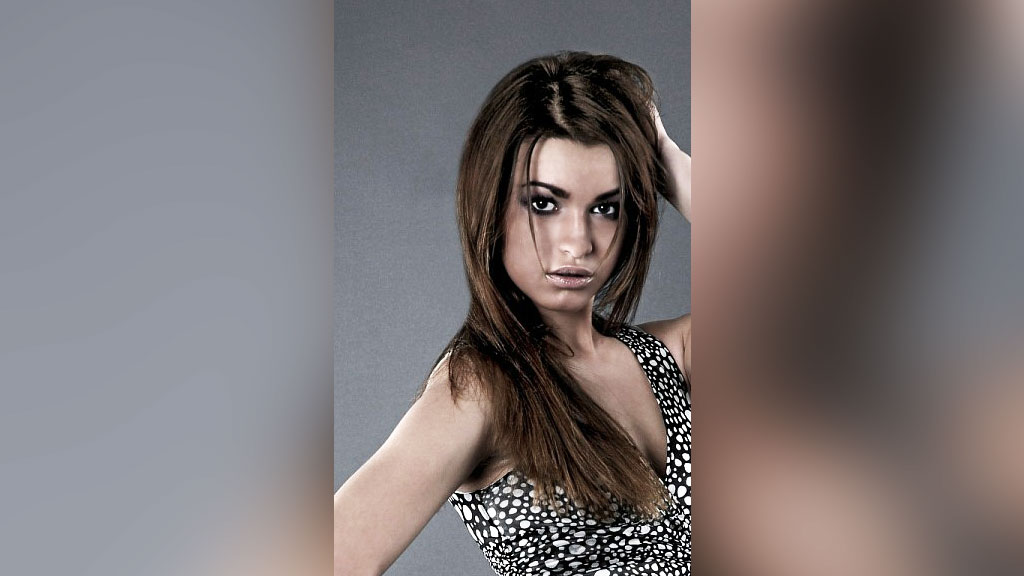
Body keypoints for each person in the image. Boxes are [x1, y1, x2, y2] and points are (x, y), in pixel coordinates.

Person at [334, 51, 691, 576]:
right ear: (492, 205)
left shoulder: (666, 357)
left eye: (605, 207)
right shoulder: (483, 387)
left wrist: (670, 163)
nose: (578, 242)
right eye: (544, 203)